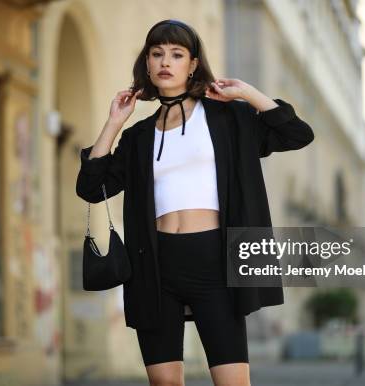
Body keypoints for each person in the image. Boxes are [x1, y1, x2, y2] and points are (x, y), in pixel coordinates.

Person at [76, 19, 314, 386]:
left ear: (193, 64)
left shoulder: (227, 118)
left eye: (176, 54)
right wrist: (114, 123)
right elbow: (92, 187)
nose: (165, 62)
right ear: (148, 64)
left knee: (232, 381)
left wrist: (248, 93)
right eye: (157, 54)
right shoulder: (139, 135)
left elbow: (297, 134)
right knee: (165, 382)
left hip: (215, 261)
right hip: (154, 265)